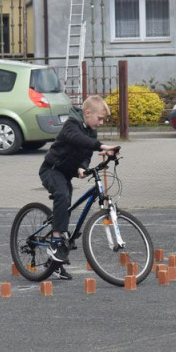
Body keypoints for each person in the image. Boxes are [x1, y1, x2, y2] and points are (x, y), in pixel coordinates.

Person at [38, 95, 120, 280]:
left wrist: (82, 166)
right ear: (87, 113)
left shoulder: (91, 131)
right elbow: (77, 139)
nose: (101, 122)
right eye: (99, 118)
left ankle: (56, 263)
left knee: (65, 206)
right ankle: (56, 241)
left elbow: (86, 152)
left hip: (66, 173)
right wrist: (102, 146)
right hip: (52, 169)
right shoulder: (71, 125)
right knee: (62, 197)